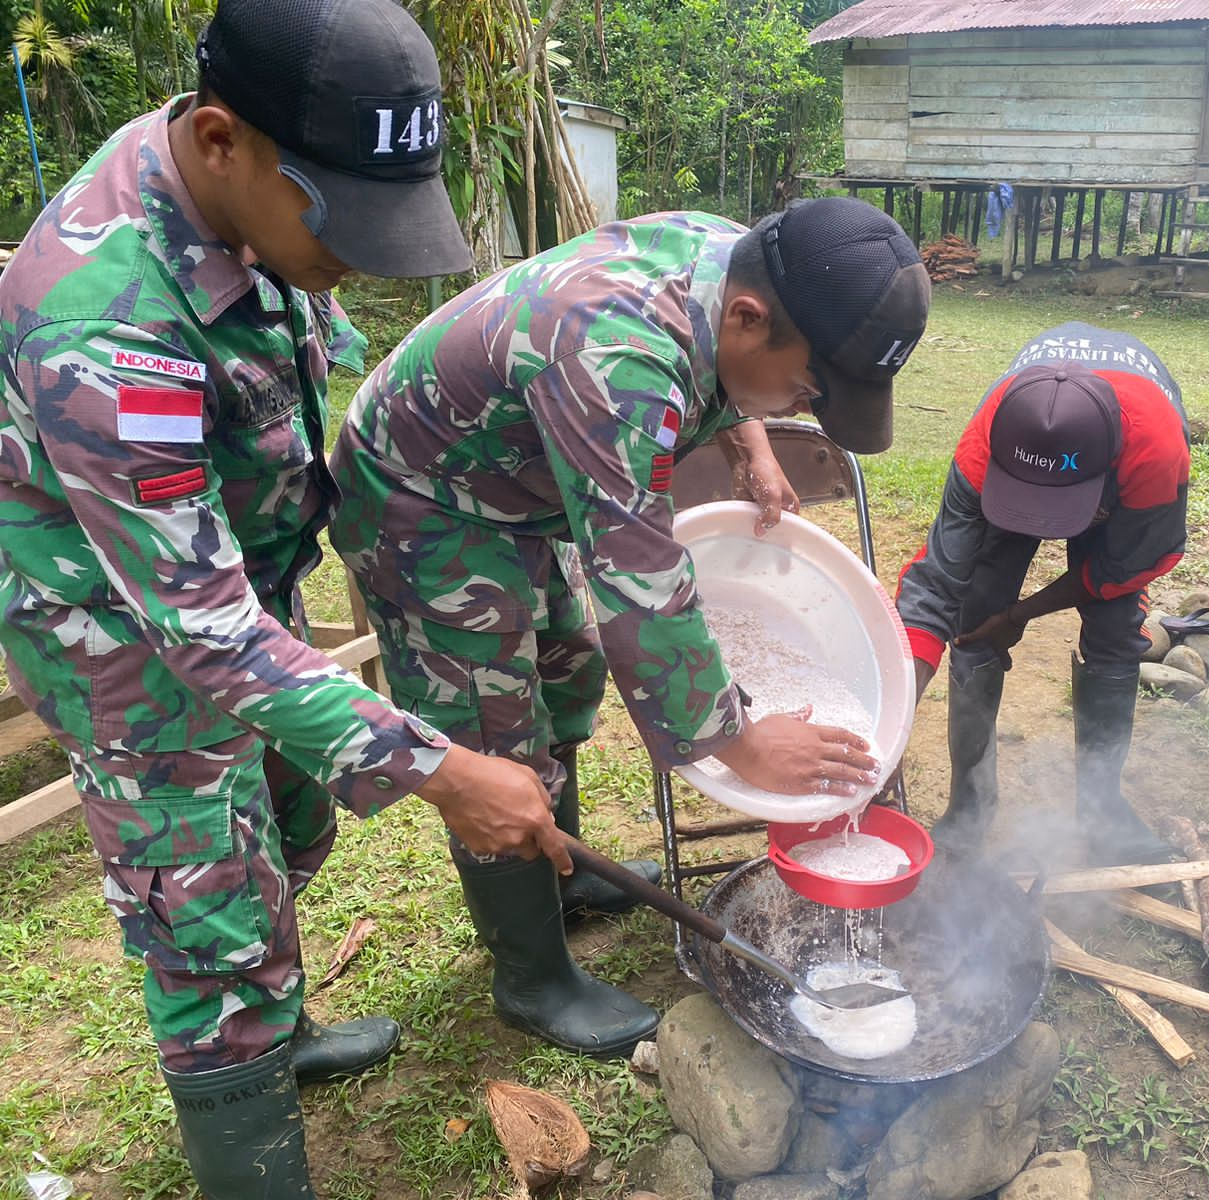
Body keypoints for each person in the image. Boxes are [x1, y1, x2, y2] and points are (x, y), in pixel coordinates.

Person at [0, 3, 569, 1196]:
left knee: (289, 822)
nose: (357, 256)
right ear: (220, 141)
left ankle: (283, 1029)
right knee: (209, 914)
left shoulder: (249, 213)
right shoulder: (107, 321)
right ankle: (248, 1113)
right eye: (342, 223)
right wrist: (441, 768)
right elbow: (191, 628)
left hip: (239, 591)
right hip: (124, 641)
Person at [328, 196, 931, 1055]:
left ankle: (560, 877)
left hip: (523, 477)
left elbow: (724, 379)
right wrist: (744, 740)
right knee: (495, 728)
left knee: (568, 666)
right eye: (805, 388)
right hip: (425, 497)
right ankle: (531, 976)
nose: (803, 403)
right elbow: (643, 587)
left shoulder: (741, 263)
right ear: (751, 321)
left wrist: (750, 440)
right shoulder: (618, 361)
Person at [895, 322, 1190, 865]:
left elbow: (1123, 567)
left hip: (1117, 466)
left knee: (1113, 625)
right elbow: (936, 582)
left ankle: (1102, 812)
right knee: (971, 620)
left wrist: (1022, 612)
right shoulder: (985, 449)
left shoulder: (1154, 452)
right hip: (1027, 467)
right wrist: (894, 717)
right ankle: (971, 805)